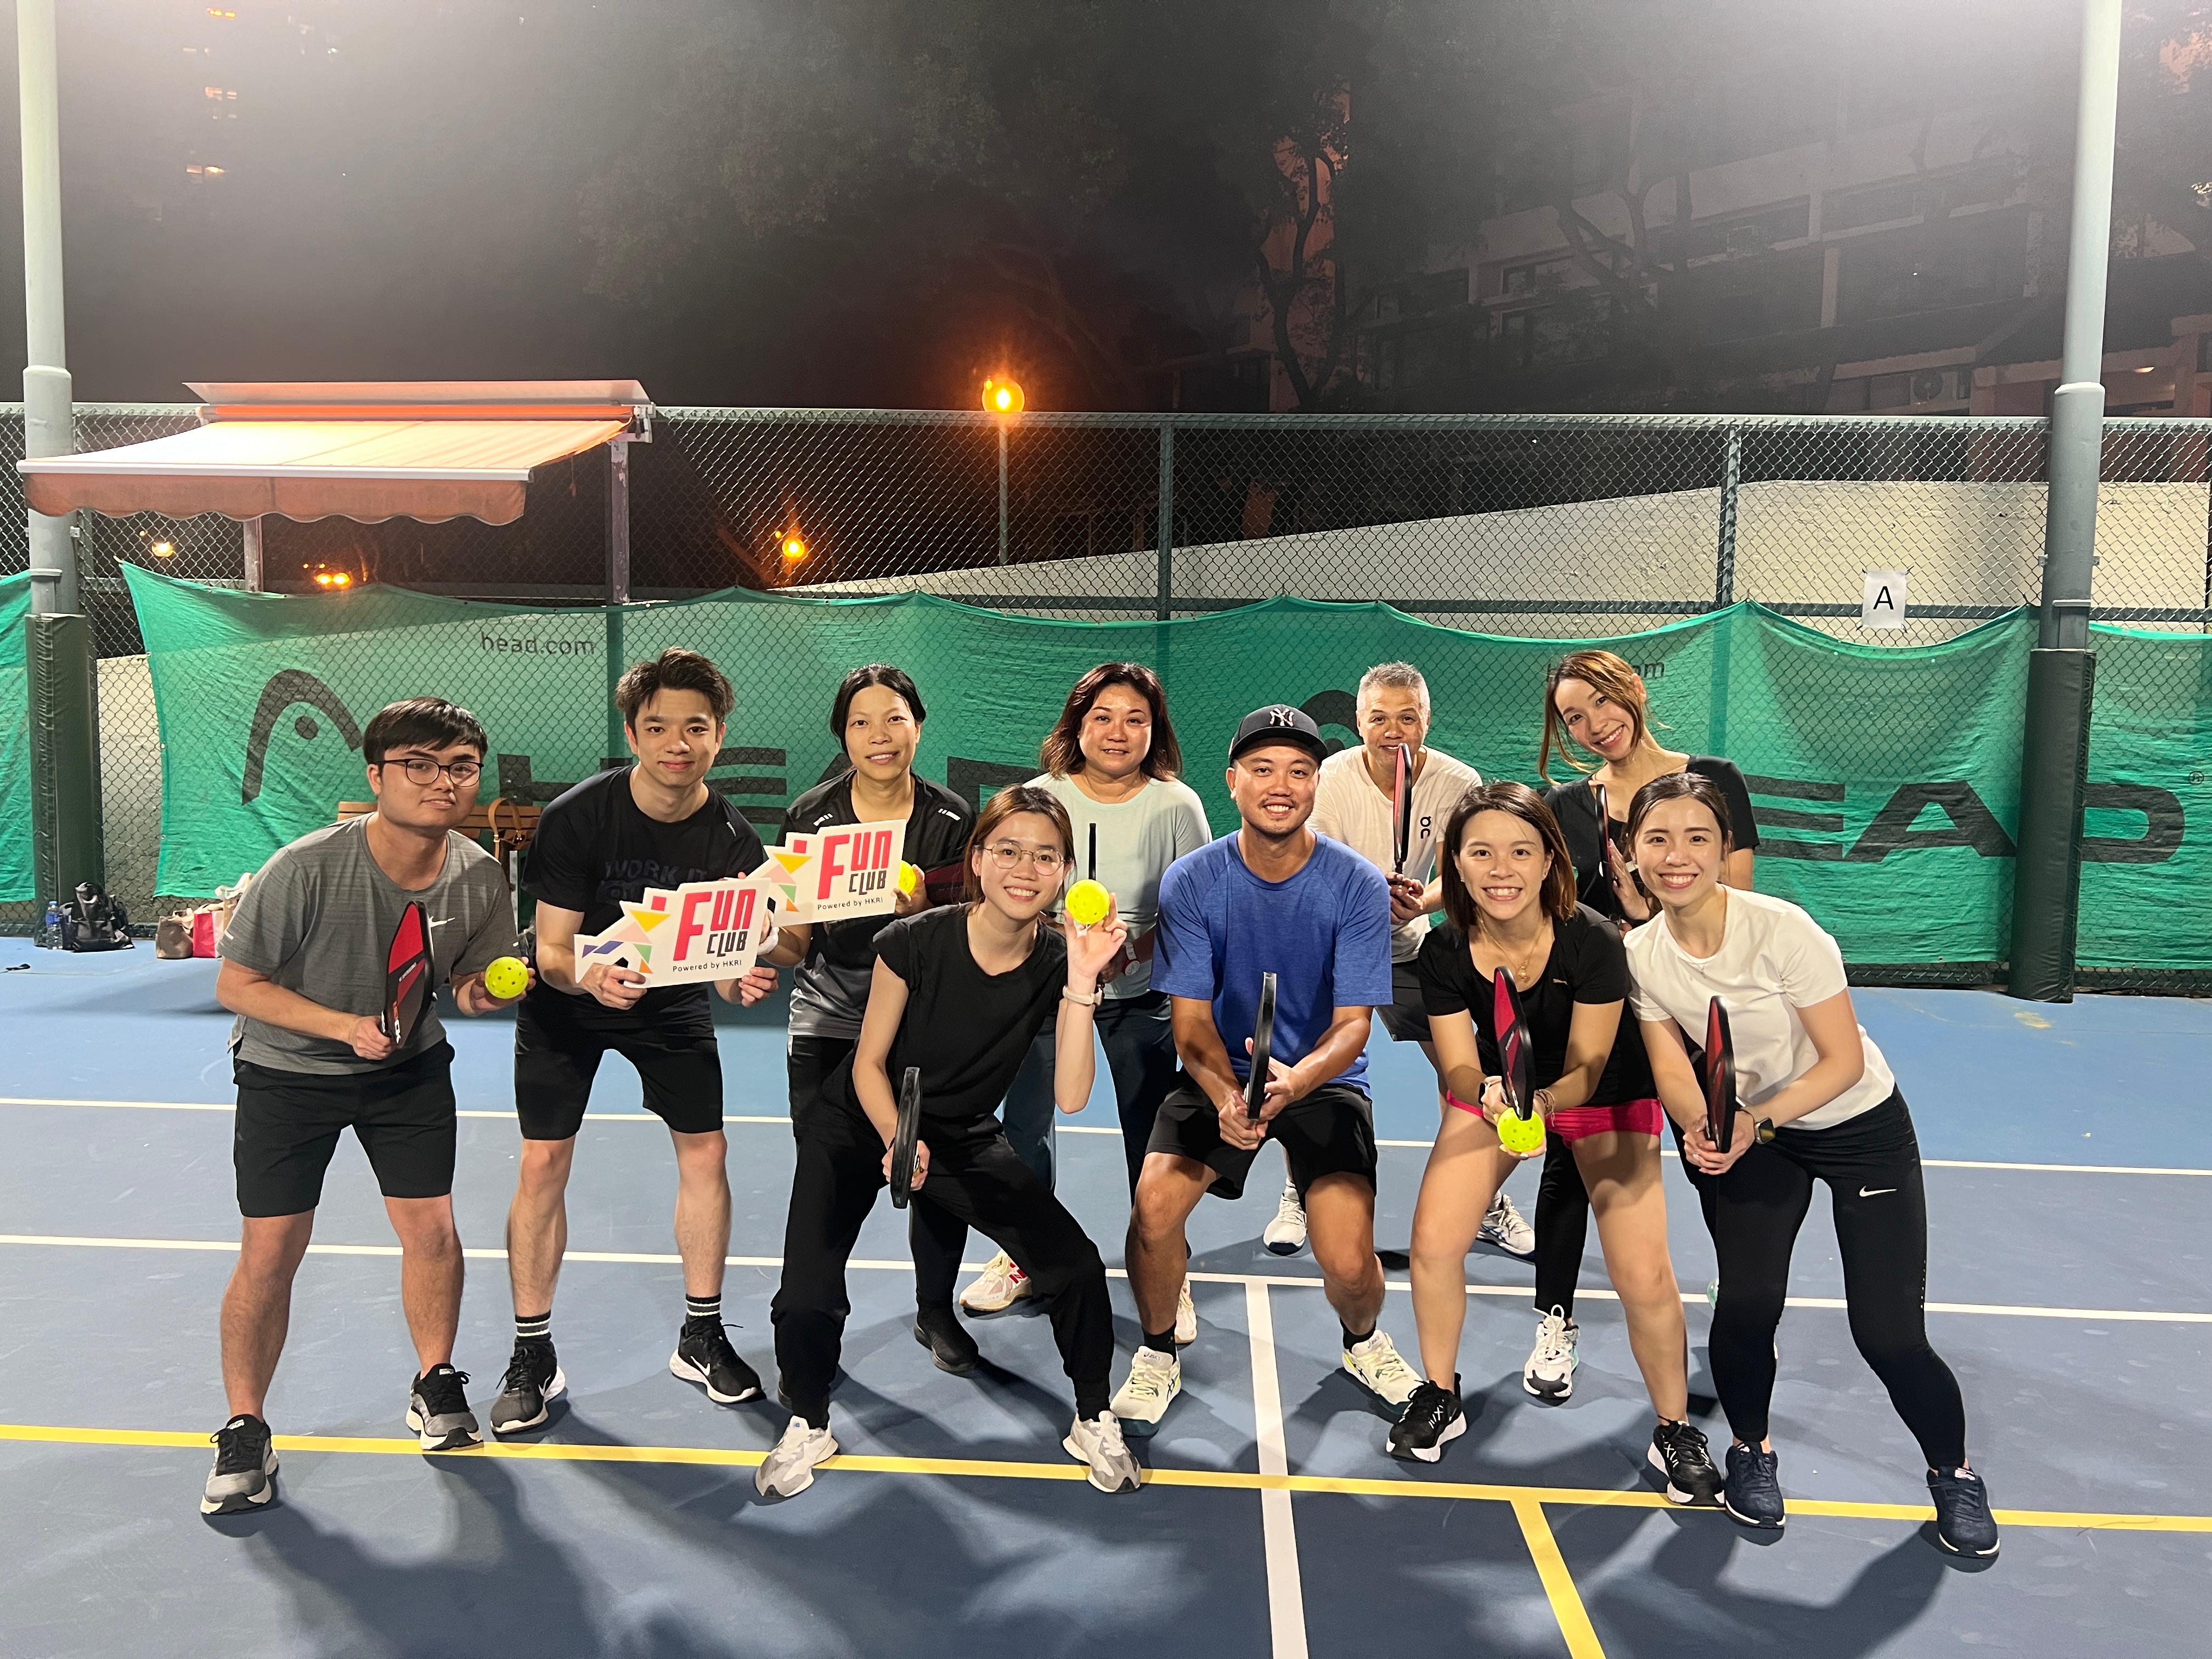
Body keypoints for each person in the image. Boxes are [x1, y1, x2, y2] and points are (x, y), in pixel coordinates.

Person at [1623, 771, 1997, 1555]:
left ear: (1725, 849)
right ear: (1632, 851)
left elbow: (1842, 1062)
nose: (1676, 855)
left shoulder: (1785, 932)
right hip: (1759, 1137)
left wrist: (1749, 1122)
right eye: (1658, 838)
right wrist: (1700, 1127)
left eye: (1697, 838)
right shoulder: (1643, 953)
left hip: (1857, 1126)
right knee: (1747, 1305)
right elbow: (1671, 1067)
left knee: (1889, 1335)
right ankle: (1750, 1451)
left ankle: (1954, 1473)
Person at [759, 786, 1138, 1498]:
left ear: (1066, 873)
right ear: (978, 859)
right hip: (857, 1121)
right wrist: (898, 1137)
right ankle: (808, 1419)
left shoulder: (1058, 959)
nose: (1025, 869)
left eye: (1045, 857)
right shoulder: (914, 940)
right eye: (1008, 851)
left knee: (1075, 1267)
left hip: (960, 1130)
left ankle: (1092, 1415)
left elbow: (1071, 1096)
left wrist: (1085, 978)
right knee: (807, 1293)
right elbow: (868, 1063)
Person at [204, 698, 527, 1514]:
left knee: (433, 1231)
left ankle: (435, 1380)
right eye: (419, 765)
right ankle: (244, 1425)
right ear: (377, 776)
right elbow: (236, 985)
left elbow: (464, 984)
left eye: (460, 767)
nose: (442, 782)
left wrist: (486, 994)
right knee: (271, 1252)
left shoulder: (479, 875)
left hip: (407, 1070)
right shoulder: (306, 867)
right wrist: (343, 1027)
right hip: (288, 1073)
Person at [1389, 784, 1720, 1504]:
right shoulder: (1444, 949)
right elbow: (1456, 1063)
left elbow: (1589, 1069)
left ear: (1549, 862)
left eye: (1520, 851)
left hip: (1604, 1098)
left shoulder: (1592, 940)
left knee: (1643, 1276)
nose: (1500, 870)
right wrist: (1486, 1091)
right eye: (1481, 853)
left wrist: (1538, 1104)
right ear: (1455, 863)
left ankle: (1674, 1428)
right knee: (1434, 1245)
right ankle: (1440, 1393)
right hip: (1501, 1095)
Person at [490, 651, 781, 1436]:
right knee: (543, 1162)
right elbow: (552, 950)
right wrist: (589, 979)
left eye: (695, 728)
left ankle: (701, 1335)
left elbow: (724, 961)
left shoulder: (732, 838)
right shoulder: (578, 816)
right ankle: (532, 1351)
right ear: (632, 734)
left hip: (669, 1003)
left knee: (707, 1153)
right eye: (658, 728)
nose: (677, 744)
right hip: (568, 1001)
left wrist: (737, 982)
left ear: (720, 735)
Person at [1111, 705, 1419, 1430]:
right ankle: (1158, 1350)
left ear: (1317, 784)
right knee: (1154, 1209)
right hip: (1222, 1072)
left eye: (1299, 771)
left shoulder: (1356, 884)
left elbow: (1353, 1027)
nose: (1280, 785)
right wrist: (1228, 1096)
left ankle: (1363, 1341)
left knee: (1349, 1263)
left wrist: (1296, 1081)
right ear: (1233, 781)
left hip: (1324, 1080)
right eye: (1262, 769)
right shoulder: (1192, 881)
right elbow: (1191, 1024)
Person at [1524, 648, 1761, 1400]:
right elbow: (1548, 908)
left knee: (1716, 1160)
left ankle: (1739, 1311)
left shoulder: (1712, 781)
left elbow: (1737, 905)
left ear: (1631, 688)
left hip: (1692, 1010)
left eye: (1600, 701)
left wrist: (1648, 913)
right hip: (1602, 1017)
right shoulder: (1567, 806)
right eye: (1573, 717)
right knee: (1567, 1170)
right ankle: (1555, 1322)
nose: (1594, 724)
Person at [950, 663, 1211, 1331]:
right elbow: (1012, 894)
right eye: (1103, 717)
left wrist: (1132, 951)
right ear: (1077, 724)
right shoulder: (1040, 797)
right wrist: (1065, 957)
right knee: (1025, 1126)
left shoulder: (1177, 805)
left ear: (1155, 730)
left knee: (1152, 1136)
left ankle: (1167, 1265)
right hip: (1043, 993)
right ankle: (1026, 1256)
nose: (1118, 732)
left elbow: (1196, 910)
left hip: (1141, 994)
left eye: (1135, 719)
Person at [1285, 660, 1531, 1263]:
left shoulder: (1457, 780)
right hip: (1336, 945)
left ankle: (1483, 1201)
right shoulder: (1331, 778)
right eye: (1379, 718)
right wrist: (1372, 898)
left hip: (1411, 944)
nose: (1393, 730)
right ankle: (1298, 1191)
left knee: (1465, 1075)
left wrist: (1418, 902)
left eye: (1408, 717)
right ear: (1358, 722)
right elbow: (1314, 863)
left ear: (1427, 720)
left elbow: (1462, 870)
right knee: (1307, 1070)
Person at [774, 664, 978, 1371]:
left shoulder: (951, 820)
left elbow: (968, 937)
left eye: (894, 718)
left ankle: (934, 1311)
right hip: (831, 1021)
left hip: (923, 1026)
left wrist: (922, 914)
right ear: (843, 735)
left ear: (918, 726)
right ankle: (814, 1324)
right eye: (860, 722)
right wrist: (754, 943)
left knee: (936, 1174)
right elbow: (795, 942)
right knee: (827, 1182)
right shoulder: (810, 818)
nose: (879, 735)